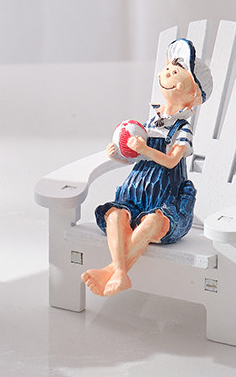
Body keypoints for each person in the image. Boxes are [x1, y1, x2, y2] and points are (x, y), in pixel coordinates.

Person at [82, 38, 213, 298]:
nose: (169, 71)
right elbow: (136, 158)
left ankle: (113, 270)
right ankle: (120, 273)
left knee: (153, 221)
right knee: (115, 215)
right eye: (169, 67)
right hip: (134, 198)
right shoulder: (150, 122)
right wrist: (119, 156)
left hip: (167, 203)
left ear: (193, 95)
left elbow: (171, 161)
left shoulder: (182, 129)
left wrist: (145, 149)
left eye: (179, 70)